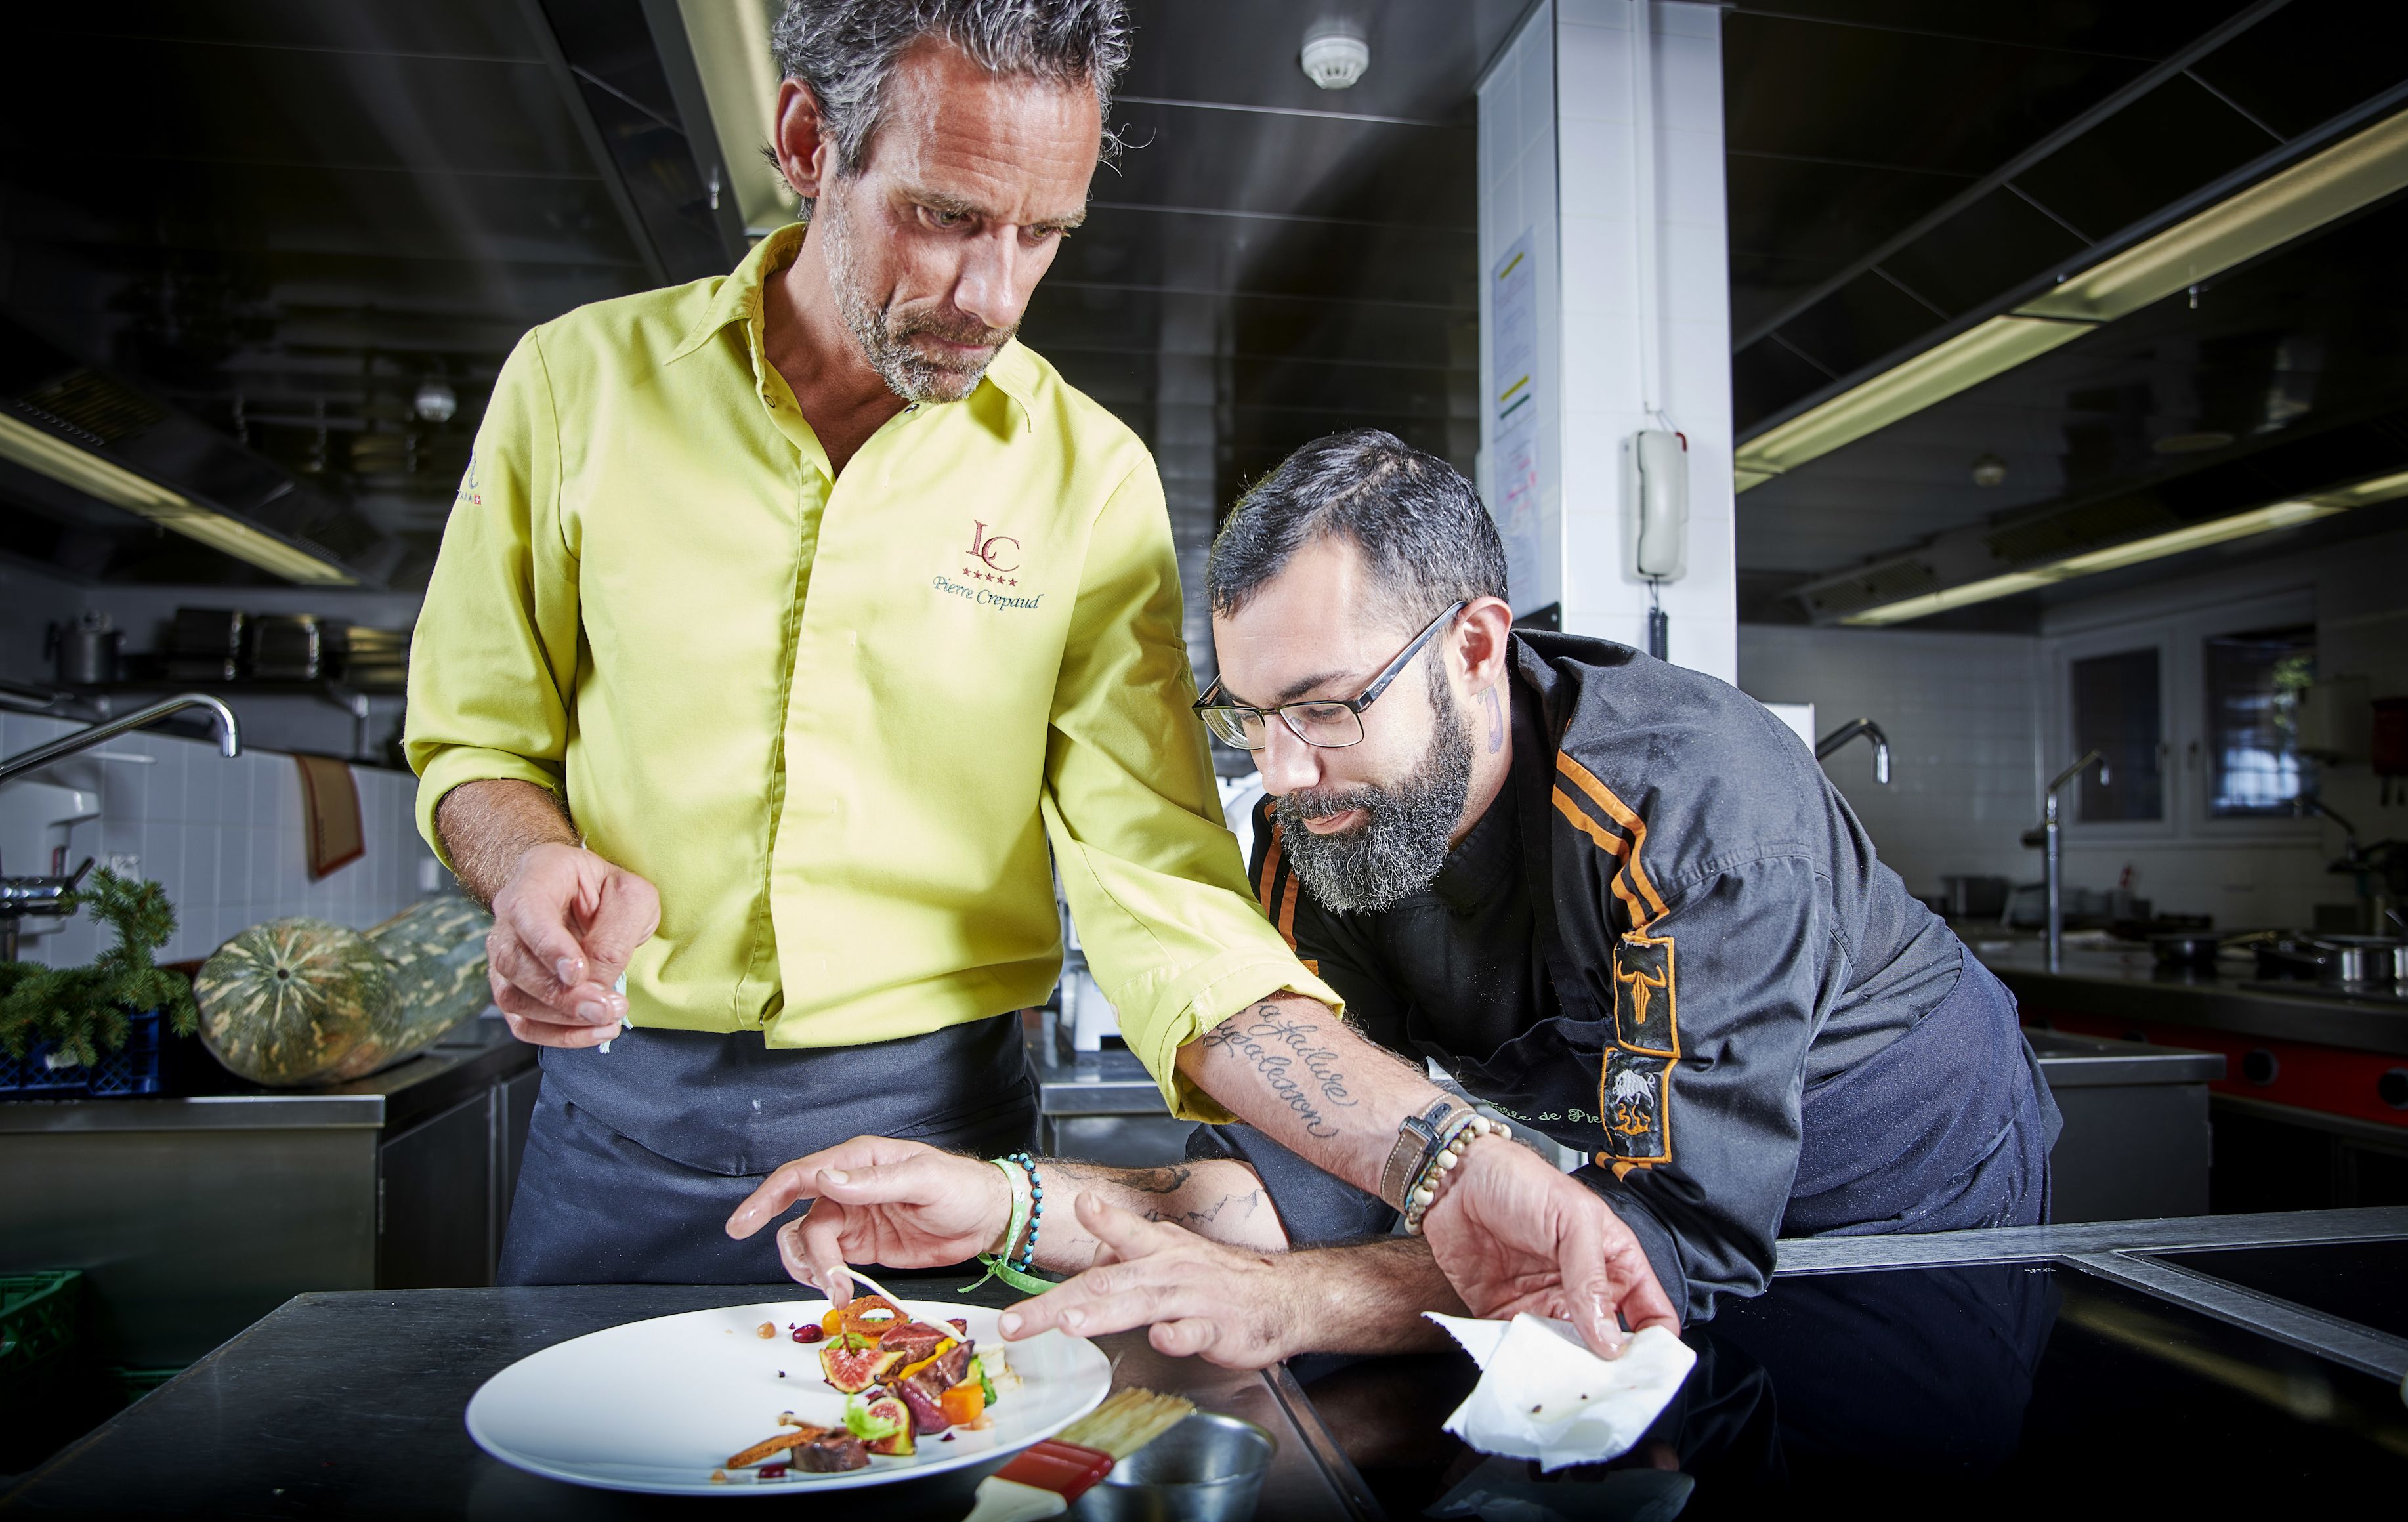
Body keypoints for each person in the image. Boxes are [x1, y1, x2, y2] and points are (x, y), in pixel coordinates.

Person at [412, 0, 1660, 1340]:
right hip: (613, 1145)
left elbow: (1162, 893)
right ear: (806, 141)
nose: (992, 297)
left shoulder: (1092, 481)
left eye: (1043, 233)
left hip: (936, 1167)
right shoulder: (577, 388)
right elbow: (477, 744)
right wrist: (524, 861)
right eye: (947, 217)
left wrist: (1443, 1160)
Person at [732, 427, 2058, 1359]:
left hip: (1899, 1161)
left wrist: (1300, 1308)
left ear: (1474, 647)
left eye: (1324, 708)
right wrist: (1014, 1203)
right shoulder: (1326, 840)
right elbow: (1296, 1187)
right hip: (1649, 1181)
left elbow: (1679, 1239)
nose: (1286, 773)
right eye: (1247, 717)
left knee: (1873, 1473)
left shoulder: (1692, 805)